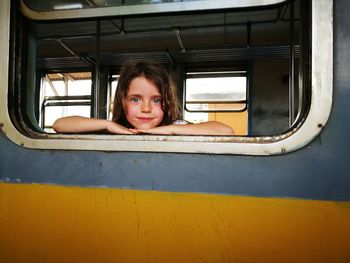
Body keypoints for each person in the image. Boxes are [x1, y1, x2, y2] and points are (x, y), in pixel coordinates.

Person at [53, 60, 234, 135]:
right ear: (123, 100)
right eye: (135, 99)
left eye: (156, 100)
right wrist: (108, 124)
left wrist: (167, 130)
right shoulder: (116, 128)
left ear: (166, 102)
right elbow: (60, 125)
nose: (146, 109)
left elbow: (225, 131)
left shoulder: (175, 128)